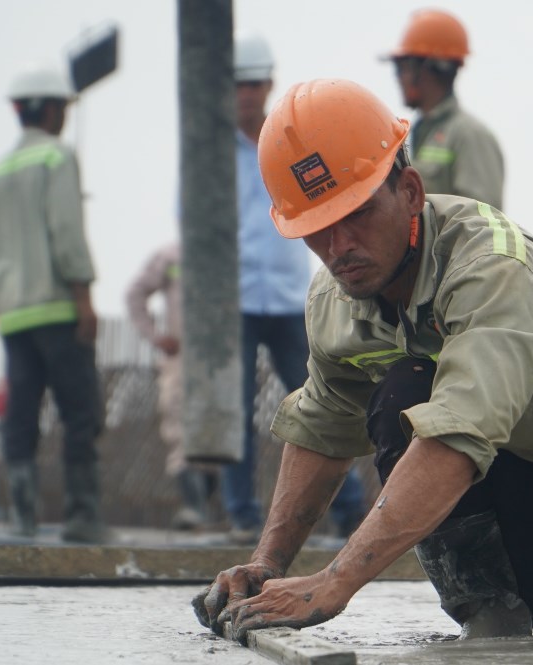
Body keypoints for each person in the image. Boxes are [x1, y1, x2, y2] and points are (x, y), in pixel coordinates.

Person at [192, 79, 533, 642]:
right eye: (316, 228)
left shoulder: (492, 265)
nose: (338, 245)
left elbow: (456, 437)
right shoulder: (335, 301)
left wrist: (334, 581)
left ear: (412, 191)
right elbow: (323, 427)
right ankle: (492, 617)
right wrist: (267, 564)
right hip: (528, 549)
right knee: (400, 390)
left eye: (359, 213)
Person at [227, 34, 364, 545]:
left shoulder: (285, 142)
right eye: (239, 84)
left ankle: (348, 510)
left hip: (287, 296)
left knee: (327, 403)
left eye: (255, 83)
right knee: (235, 407)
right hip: (235, 299)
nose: (247, 93)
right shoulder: (212, 154)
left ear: (267, 84)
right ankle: (241, 513)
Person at [0, 63, 106, 543]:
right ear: (50, 109)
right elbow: (66, 231)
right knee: (79, 411)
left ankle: (22, 517)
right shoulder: (56, 158)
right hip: (56, 308)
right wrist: (83, 295)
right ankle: (82, 517)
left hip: (12, 316)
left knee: (21, 414)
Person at [126, 243, 218, 530]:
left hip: (222, 359)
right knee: (180, 429)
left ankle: (213, 510)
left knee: (220, 434)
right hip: (183, 357)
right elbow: (135, 293)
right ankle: (195, 508)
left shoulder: (229, 252)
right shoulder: (172, 255)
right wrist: (155, 336)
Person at [385, 9, 505, 210]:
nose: (397, 77)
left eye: (402, 67)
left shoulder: (469, 135)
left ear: (430, 67)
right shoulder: (424, 133)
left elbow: (482, 222)